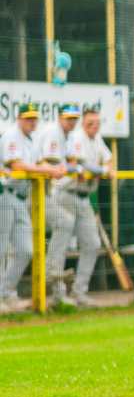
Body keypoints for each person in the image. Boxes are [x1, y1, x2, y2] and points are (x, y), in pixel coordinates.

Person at [1, 104, 66, 312]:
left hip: (21, 197)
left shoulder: (30, 139)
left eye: (34, 118)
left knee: (25, 250)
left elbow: (40, 163)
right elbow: (17, 165)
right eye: (28, 118)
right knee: (1, 248)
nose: (32, 122)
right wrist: (45, 170)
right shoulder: (11, 135)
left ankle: (6, 293)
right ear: (19, 118)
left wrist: (54, 169)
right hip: (4, 194)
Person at [46, 106, 114, 306]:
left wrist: (105, 169)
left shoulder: (97, 138)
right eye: (90, 123)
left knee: (92, 244)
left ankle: (79, 292)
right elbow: (80, 165)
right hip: (66, 195)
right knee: (62, 243)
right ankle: (58, 295)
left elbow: (109, 160)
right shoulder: (76, 137)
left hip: (84, 197)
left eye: (97, 123)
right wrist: (102, 171)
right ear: (83, 123)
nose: (94, 126)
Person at [36, 104, 83, 305]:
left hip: (40, 191)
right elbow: (51, 166)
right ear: (59, 118)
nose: (71, 122)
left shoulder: (68, 135)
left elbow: (71, 163)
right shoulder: (53, 132)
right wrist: (73, 168)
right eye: (68, 118)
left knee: (63, 223)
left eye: (74, 118)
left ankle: (57, 291)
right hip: (27, 191)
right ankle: (51, 272)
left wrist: (74, 167)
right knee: (63, 223)